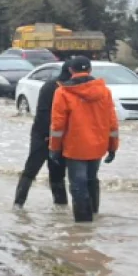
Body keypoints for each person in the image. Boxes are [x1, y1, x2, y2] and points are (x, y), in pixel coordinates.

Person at [49, 56, 119, 223]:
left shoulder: (63, 92)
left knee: (78, 184)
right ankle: (94, 215)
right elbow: (112, 121)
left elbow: (58, 125)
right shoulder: (104, 92)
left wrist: (54, 149)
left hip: (75, 148)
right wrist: (112, 147)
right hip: (98, 146)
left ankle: (83, 225)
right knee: (91, 179)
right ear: (90, 70)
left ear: (71, 71)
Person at [14, 62, 71, 208]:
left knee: (57, 174)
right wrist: (48, 135)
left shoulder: (70, 89)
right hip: (42, 135)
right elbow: (43, 114)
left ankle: (60, 207)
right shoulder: (50, 87)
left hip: (59, 138)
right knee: (31, 170)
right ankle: (18, 204)